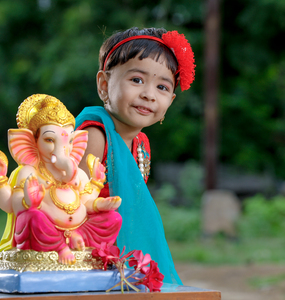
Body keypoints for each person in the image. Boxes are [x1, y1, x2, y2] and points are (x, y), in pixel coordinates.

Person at [75, 27, 195, 285]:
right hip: (86, 252)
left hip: (122, 250)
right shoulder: (96, 136)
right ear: (104, 85)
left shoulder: (141, 144)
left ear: (170, 102)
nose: (149, 94)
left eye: (162, 87)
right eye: (137, 80)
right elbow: (72, 206)